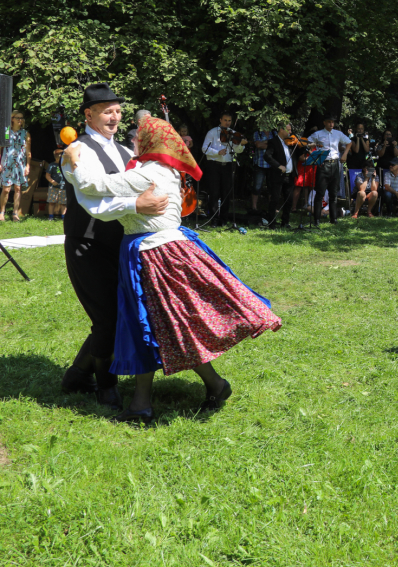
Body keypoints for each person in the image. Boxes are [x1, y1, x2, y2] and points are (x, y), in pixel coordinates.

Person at [64, 115, 281, 422]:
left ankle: (148, 402)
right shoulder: (159, 169)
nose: (133, 140)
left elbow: (95, 184)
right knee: (165, 326)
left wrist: (74, 160)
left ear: (152, 141)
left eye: (139, 136)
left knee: (151, 324)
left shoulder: (147, 173)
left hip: (154, 255)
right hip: (157, 251)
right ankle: (206, 388)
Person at [60, 83, 170, 410]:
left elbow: (145, 179)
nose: (115, 117)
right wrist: (137, 205)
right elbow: (95, 201)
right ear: (88, 114)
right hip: (87, 244)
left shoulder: (125, 153)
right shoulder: (76, 151)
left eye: (118, 111)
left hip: (120, 244)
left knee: (117, 313)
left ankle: (78, 374)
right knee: (107, 317)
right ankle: (105, 385)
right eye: (107, 111)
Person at [200, 112, 248, 225]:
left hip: (227, 166)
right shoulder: (212, 132)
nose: (227, 123)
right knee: (214, 192)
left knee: (226, 193)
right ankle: (214, 219)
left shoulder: (234, 133)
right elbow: (204, 148)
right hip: (214, 165)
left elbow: (238, 150)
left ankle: (224, 219)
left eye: (229, 121)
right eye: (225, 120)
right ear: (220, 120)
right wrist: (217, 152)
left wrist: (241, 144)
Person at [307, 114, 351, 226]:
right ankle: (316, 220)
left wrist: (345, 154)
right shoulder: (318, 134)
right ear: (324, 123)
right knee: (319, 193)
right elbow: (307, 143)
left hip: (335, 164)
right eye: (329, 122)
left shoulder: (338, 133)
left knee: (333, 193)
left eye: (333, 122)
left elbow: (349, 142)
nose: (331, 124)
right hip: (323, 164)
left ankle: (333, 219)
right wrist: (315, 145)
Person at [263, 121, 298, 228]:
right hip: (278, 175)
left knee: (289, 199)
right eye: (289, 130)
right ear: (282, 130)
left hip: (289, 176)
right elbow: (267, 156)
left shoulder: (290, 142)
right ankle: (271, 222)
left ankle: (285, 222)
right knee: (275, 199)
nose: (291, 132)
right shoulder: (273, 141)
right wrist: (278, 166)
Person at [0, 109, 31, 222]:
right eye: (17, 117)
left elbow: (28, 152)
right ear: (12, 119)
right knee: (6, 189)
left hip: (20, 164)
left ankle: (15, 213)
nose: (20, 120)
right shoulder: (6, 131)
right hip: (7, 163)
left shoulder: (26, 133)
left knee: (18, 189)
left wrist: (28, 166)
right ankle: (1, 212)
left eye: (21, 118)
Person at [249, 128, 273, 214]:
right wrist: (271, 144)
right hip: (260, 164)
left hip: (272, 165)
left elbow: (277, 146)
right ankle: (254, 207)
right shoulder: (257, 133)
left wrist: (264, 144)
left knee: (272, 188)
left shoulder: (274, 133)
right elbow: (258, 145)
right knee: (256, 187)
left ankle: (271, 208)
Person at [45, 149, 68, 220]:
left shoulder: (66, 165)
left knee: (63, 203)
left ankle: (63, 217)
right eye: (59, 158)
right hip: (53, 187)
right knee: (52, 202)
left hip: (63, 186)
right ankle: (51, 216)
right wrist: (52, 181)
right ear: (56, 157)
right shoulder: (52, 165)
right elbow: (47, 175)